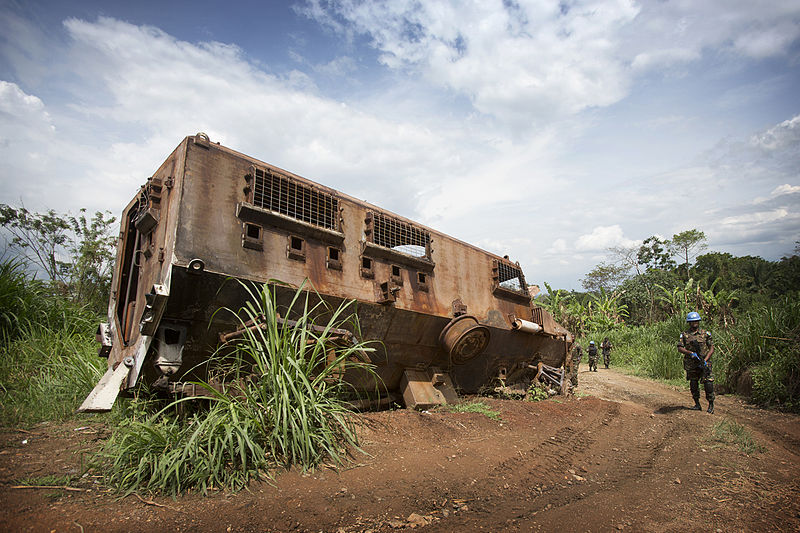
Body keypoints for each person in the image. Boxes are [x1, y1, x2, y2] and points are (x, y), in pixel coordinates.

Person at [677, 311, 715, 413]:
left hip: (704, 362)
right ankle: (697, 404)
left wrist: (706, 360)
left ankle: (711, 405)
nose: (694, 323)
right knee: (693, 384)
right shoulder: (685, 335)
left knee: (708, 383)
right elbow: (680, 348)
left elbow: (711, 348)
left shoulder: (705, 334)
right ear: (689, 323)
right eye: (692, 321)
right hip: (691, 364)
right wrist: (690, 353)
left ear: (699, 322)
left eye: (696, 321)